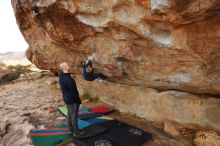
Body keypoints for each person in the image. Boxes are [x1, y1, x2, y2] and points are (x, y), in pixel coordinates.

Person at [59, 62, 85, 137]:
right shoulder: (69, 79)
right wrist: (78, 101)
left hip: (67, 99)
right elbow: (74, 92)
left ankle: (70, 130)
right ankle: (76, 132)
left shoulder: (61, 77)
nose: (69, 65)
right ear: (64, 68)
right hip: (72, 100)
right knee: (74, 116)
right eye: (68, 65)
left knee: (69, 115)